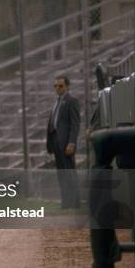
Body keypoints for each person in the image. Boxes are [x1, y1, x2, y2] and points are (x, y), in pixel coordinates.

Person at [46, 75, 80, 209]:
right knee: (61, 173)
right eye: (55, 86)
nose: (57, 88)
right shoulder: (56, 102)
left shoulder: (71, 101)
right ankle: (66, 202)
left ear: (67, 86)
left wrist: (72, 142)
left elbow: (75, 124)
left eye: (60, 86)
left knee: (69, 172)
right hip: (55, 141)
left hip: (66, 143)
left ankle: (74, 202)